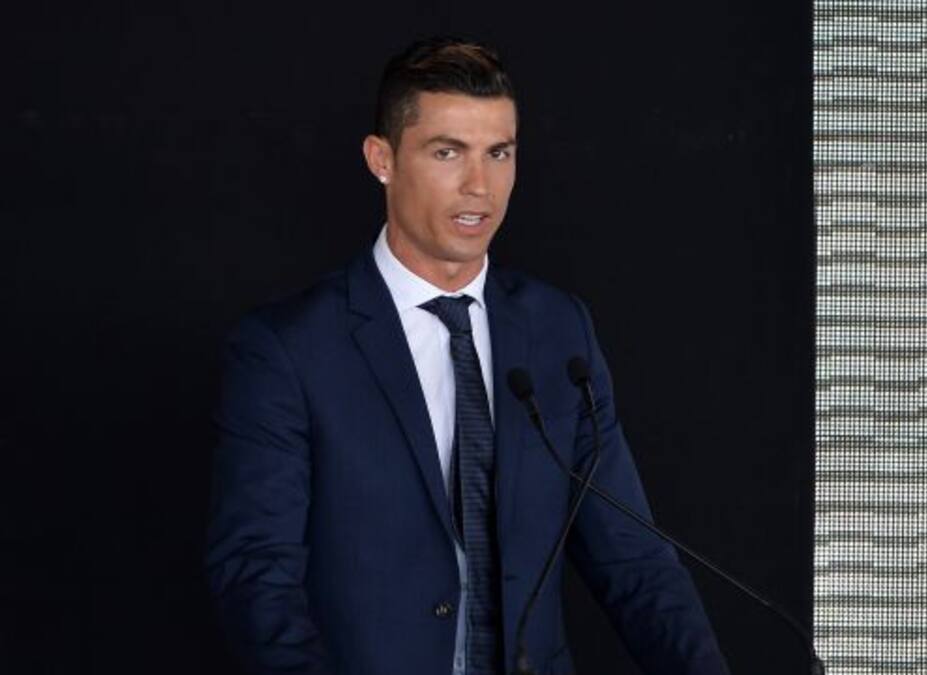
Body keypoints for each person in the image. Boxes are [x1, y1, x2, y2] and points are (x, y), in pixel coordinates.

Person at [205, 37, 729, 675]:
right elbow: (256, 575)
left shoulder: (560, 329)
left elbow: (633, 559)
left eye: (498, 153)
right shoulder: (288, 348)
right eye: (447, 152)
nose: (480, 185)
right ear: (382, 159)